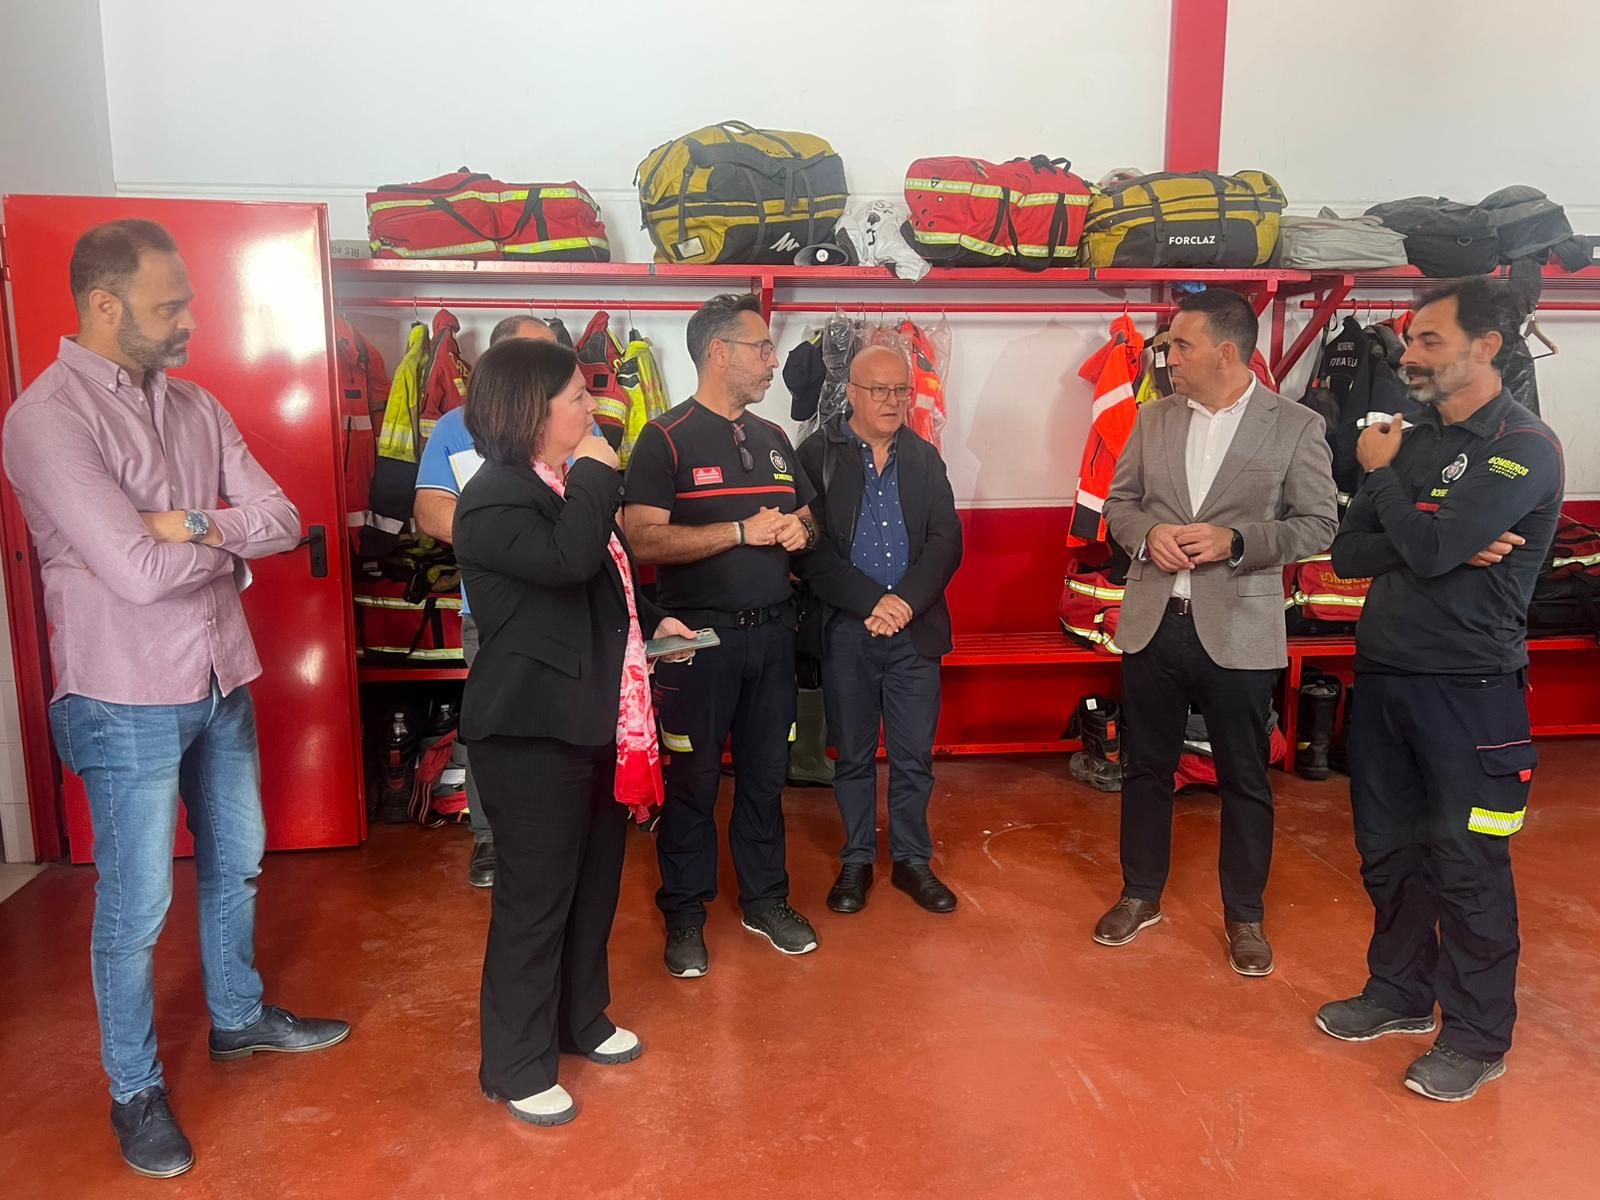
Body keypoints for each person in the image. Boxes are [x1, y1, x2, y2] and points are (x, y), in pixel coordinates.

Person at [1, 220, 349, 1180]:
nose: (191, 318)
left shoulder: (195, 407)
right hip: (121, 696)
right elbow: (138, 572)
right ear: (104, 305)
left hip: (217, 677)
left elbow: (282, 520)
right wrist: (215, 549)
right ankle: (134, 1090)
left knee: (237, 863)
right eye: (171, 305)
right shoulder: (47, 420)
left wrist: (191, 523)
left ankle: (236, 1019)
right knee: (136, 905)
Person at [1317, 277, 1563, 1103]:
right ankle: (1397, 993)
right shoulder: (1412, 439)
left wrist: (1406, 509)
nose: (1409, 354)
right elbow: (1351, 555)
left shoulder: (1522, 446)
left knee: (1467, 864)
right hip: (1386, 677)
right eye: (1410, 340)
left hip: (1472, 691)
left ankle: (1479, 1034)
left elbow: (1423, 547)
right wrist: (1437, 530)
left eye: (1428, 340)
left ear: (1486, 346)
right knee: (1389, 855)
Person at [453, 337, 698, 1126]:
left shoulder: (562, 487)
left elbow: (601, 587)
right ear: (530, 412)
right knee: (536, 900)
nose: (591, 409)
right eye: (574, 399)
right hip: (528, 732)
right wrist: (599, 471)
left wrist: (660, 620)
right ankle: (515, 1065)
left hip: (591, 721)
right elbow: (564, 564)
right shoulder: (496, 496)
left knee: (594, 888)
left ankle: (579, 1019)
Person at [1097, 288, 1338, 975]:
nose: (1168, 356)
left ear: (1226, 352)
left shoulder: (1294, 426)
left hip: (1238, 628)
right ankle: (1140, 894)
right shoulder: (1154, 420)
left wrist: (1236, 539)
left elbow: (1319, 524)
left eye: (1180, 345)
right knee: (1145, 769)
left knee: (1245, 778)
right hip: (1153, 623)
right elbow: (1121, 505)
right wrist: (1150, 535)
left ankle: (1245, 916)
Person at [622, 293, 820, 977]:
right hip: (694, 642)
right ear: (718, 352)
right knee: (693, 782)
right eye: (761, 347)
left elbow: (805, 520)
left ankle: (766, 900)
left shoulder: (773, 440)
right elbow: (641, 537)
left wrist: (801, 529)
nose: (773, 359)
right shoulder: (665, 438)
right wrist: (738, 531)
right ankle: (684, 913)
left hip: (772, 639)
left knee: (766, 778)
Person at [795, 346, 964, 915]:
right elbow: (811, 554)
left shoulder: (924, 457)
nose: (893, 401)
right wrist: (875, 602)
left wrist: (905, 604)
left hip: (914, 634)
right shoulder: (816, 454)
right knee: (854, 756)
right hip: (848, 632)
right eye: (880, 390)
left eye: (901, 391)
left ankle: (914, 861)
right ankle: (858, 860)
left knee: (915, 755)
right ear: (852, 393)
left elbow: (947, 541)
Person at [415, 314, 558, 887]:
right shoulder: (457, 427)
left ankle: (556, 834)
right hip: (495, 612)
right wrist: (518, 544)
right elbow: (430, 512)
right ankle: (491, 840)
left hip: (568, 608)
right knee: (494, 730)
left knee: (561, 728)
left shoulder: (569, 421)